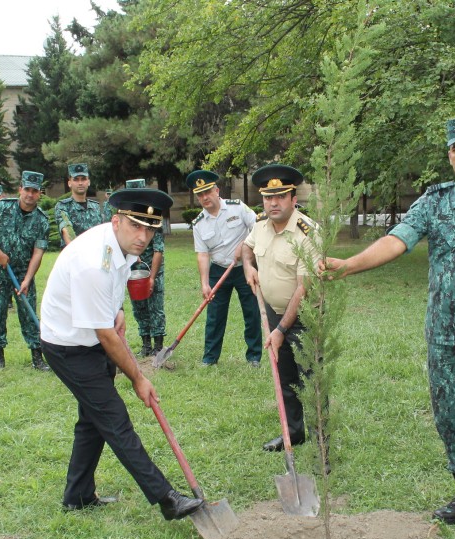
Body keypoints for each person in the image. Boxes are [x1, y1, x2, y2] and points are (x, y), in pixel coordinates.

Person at [324, 117, 455, 539]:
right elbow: (397, 240)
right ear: (449, 155)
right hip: (444, 333)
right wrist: (349, 265)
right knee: (449, 415)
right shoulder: (434, 201)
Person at [40, 187, 204, 519]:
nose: (143, 237)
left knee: (92, 420)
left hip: (90, 337)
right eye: (136, 226)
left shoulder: (120, 245)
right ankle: (166, 498)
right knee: (115, 420)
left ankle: (78, 496)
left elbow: (109, 303)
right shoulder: (93, 262)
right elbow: (105, 335)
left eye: (150, 228)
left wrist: (116, 310)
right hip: (69, 346)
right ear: (117, 221)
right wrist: (139, 378)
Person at [241, 164, 318, 452]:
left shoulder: (307, 233)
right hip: (274, 312)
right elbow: (246, 247)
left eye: (280, 196)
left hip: (304, 318)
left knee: (311, 381)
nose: (273, 203)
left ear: (293, 198)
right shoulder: (260, 225)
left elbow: (304, 288)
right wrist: (248, 266)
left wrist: (282, 329)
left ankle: (322, 444)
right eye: (268, 197)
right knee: (285, 377)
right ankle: (294, 433)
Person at [0, 171, 51, 370]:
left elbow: (38, 252)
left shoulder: (42, 220)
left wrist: (27, 280)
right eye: (27, 189)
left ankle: (37, 356)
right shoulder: (2, 208)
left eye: (35, 191)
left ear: (39, 194)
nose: (30, 194)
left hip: (23, 272)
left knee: (28, 312)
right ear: (20, 189)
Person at [188, 170, 262, 367]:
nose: (204, 197)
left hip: (245, 267)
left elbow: (259, 226)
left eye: (208, 192)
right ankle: (210, 358)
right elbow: (203, 254)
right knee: (215, 315)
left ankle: (254, 356)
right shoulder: (198, 224)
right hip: (219, 269)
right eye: (200, 195)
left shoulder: (237, 208)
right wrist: (204, 283)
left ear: (217, 191)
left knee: (251, 312)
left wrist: (245, 244)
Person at [125, 179, 166, 357]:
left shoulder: (153, 217)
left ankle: (158, 345)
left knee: (155, 307)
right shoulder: (125, 217)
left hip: (153, 270)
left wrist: (151, 278)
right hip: (133, 271)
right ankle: (146, 344)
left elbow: (158, 250)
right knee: (139, 307)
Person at [54, 163, 110, 246]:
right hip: (74, 256)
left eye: (83, 179)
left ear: (89, 182)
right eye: (76, 179)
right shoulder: (63, 206)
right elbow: (67, 231)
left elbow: (102, 233)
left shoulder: (96, 207)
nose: (80, 183)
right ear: (69, 183)